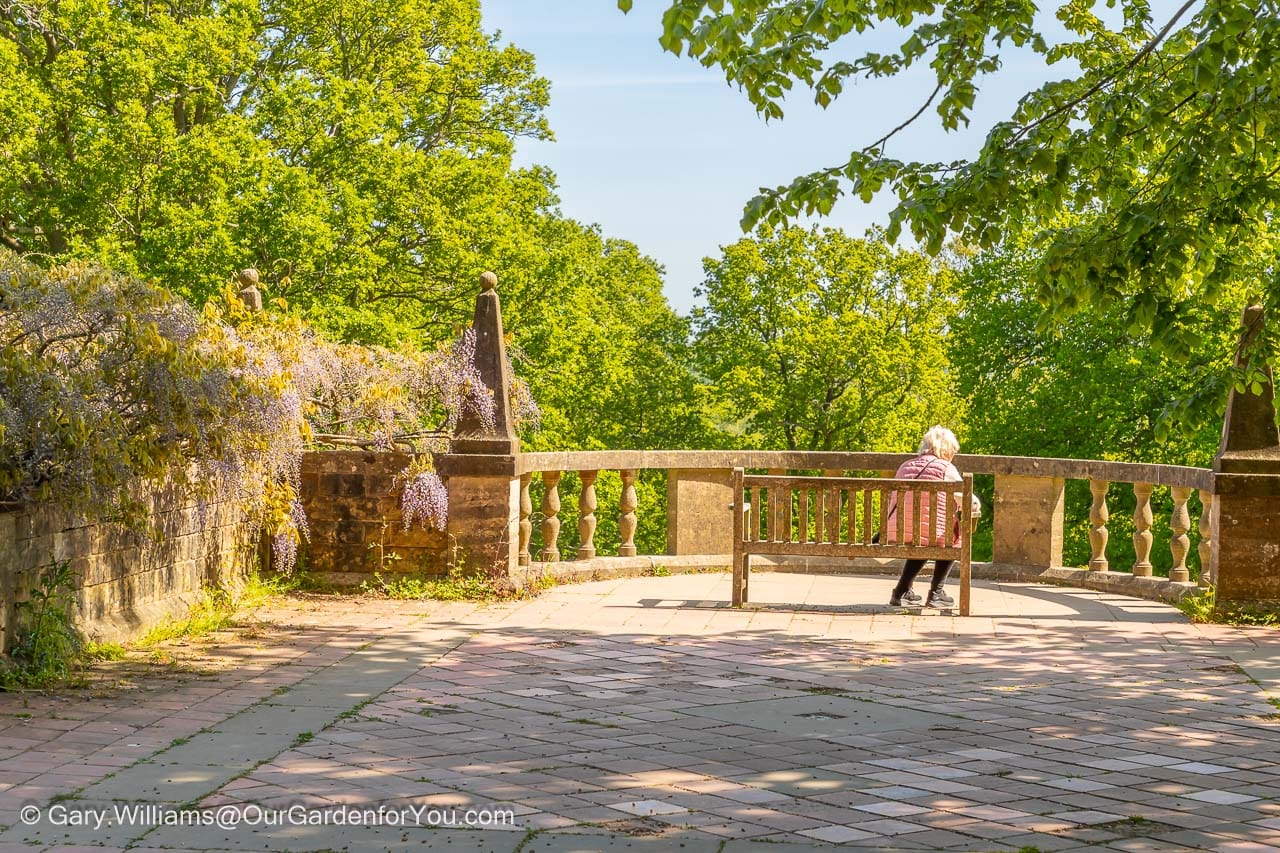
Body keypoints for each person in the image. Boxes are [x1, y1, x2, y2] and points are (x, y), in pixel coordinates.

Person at [885, 426, 979, 608]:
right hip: (930, 534)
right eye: (953, 451)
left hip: (898, 531)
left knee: (921, 532)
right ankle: (936, 592)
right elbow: (971, 502)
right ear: (945, 449)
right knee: (951, 537)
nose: (953, 455)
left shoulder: (905, 466)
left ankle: (902, 590)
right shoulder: (946, 469)